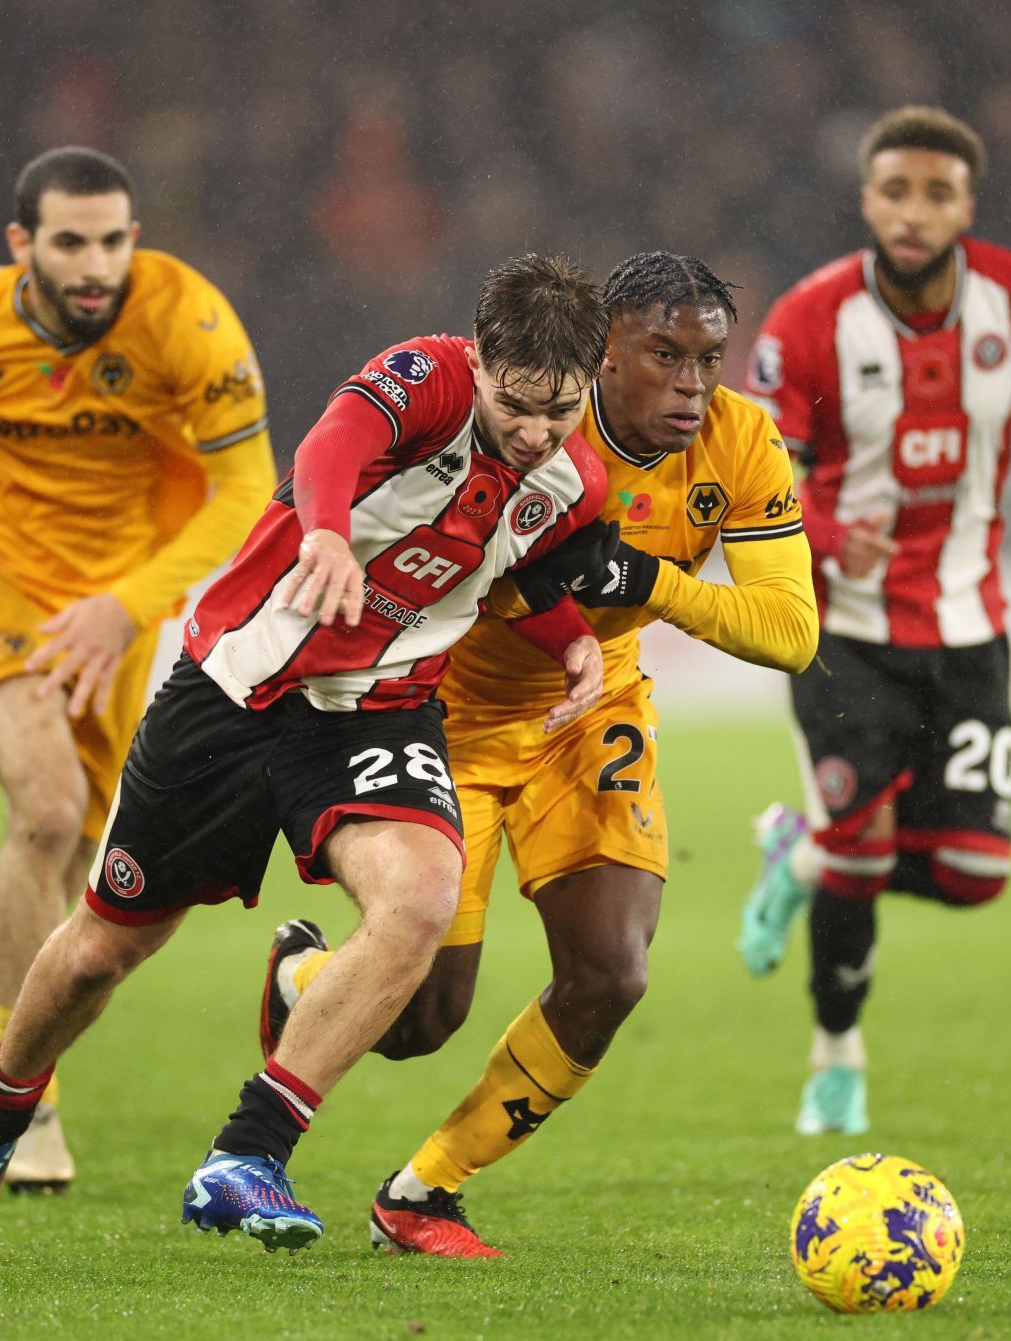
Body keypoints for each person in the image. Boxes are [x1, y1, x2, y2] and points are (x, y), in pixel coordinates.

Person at [0, 254, 613, 1261]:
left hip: (378, 711)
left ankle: (251, 1153)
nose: (537, 430)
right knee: (106, 950)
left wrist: (574, 642)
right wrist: (326, 536)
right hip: (240, 689)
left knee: (421, 897)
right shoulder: (430, 378)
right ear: (483, 355)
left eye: (562, 410)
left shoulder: (571, 475)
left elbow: (519, 574)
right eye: (519, 405)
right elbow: (336, 441)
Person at [260, 252, 820, 1256]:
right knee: (422, 1016)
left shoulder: (742, 443)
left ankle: (425, 1191)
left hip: (592, 704)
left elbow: (791, 631)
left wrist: (644, 581)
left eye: (709, 359)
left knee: (612, 973)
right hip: (447, 711)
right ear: (603, 354)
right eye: (666, 356)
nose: (694, 384)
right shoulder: (533, 421)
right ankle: (310, 980)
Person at [0, 147, 277, 1187]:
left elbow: (247, 486)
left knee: (79, 857)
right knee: (44, 810)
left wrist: (127, 607)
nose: (97, 265)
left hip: (115, 609)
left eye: (115, 239)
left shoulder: (187, 321)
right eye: (71, 242)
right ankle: (23, 1112)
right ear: (22, 244)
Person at [734, 106, 1011, 1134]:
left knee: (975, 876)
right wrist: (830, 530)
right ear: (866, 200)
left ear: (968, 206)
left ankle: (795, 853)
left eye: (937, 193)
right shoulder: (807, 323)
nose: (914, 212)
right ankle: (835, 1059)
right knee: (866, 845)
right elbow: (756, 487)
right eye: (895, 190)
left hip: (970, 628)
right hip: (842, 634)